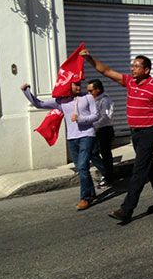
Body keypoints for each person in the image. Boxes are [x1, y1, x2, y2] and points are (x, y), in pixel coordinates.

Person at [81, 50, 153, 223]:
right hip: (135, 132)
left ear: (147, 70)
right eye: (132, 65)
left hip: (148, 132)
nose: (133, 69)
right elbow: (106, 71)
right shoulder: (130, 82)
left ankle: (126, 209)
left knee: (138, 171)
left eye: (137, 66)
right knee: (149, 166)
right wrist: (89, 59)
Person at [21, 81, 99, 210]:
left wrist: (81, 119)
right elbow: (39, 104)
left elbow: (96, 115)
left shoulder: (87, 97)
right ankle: (91, 192)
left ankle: (85, 198)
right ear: (68, 86)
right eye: (75, 85)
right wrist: (26, 91)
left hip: (87, 135)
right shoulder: (61, 101)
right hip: (72, 138)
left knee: (83, 166)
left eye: (79, 84)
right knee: (81, 168)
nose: (79, 87)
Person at [87, 79, 115, 188]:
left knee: (105, 153)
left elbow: (106, 117)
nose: (89, 93)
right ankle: (106, 173)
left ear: (98, 89)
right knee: (92, 152)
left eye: (91, 91)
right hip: (96, 130)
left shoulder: (105, 100)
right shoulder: (93, 99)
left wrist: (94, 126)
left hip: (104, 130)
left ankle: (108, 176)